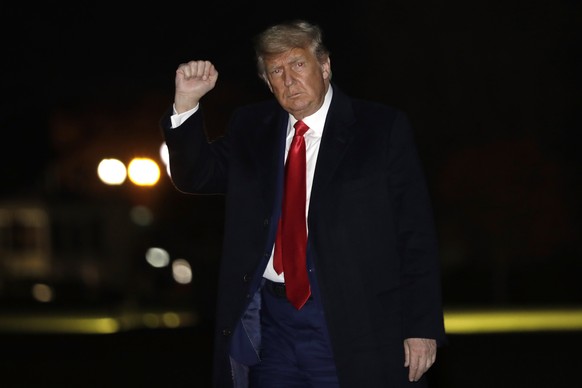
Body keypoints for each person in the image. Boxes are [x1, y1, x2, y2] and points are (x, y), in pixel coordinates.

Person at [160, 19, 447, 388]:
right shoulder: (252, 127)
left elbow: (415, 233)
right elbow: (195, 176)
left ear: (324, 66)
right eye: (276, 71)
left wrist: (421, 326)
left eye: (298, 64)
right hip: (272, 324)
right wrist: (186, 102)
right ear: (267, 82)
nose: (288, 79)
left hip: (352, 321)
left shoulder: (380, 129)